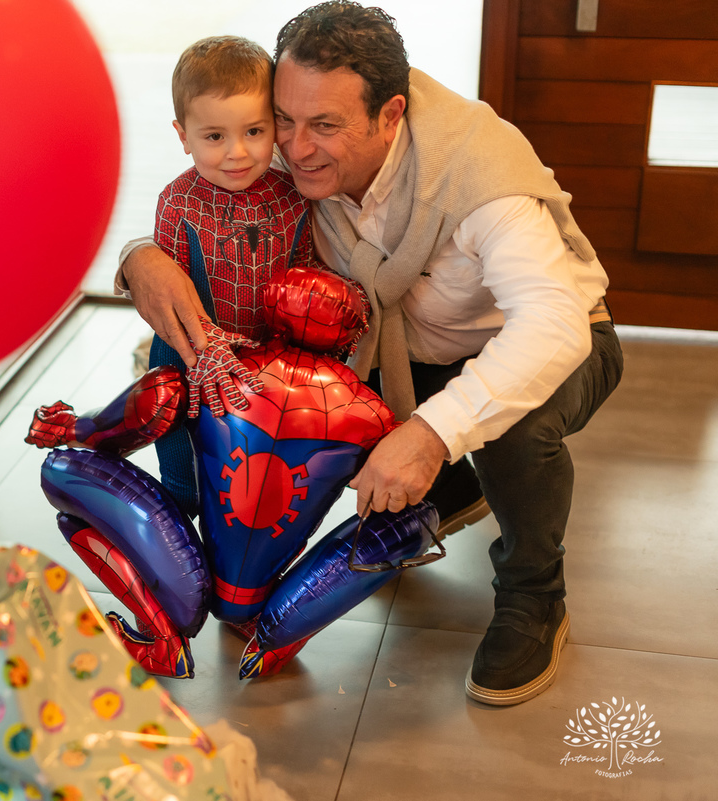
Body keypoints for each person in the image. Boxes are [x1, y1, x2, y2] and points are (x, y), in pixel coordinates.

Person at [116, 2, 624, 706]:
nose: (294, 148)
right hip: (407, 351)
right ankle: (454, 486)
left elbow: (555, 324)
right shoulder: (288, 162)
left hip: (545, 343)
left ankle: (534, 594)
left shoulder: (481, 179)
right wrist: (139, 257)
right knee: (306, 403)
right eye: (284, 121)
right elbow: (211, 200)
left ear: (391, 115)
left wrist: (430, 432)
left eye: (324, 126)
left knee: (513, 422)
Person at [138, 35, 324, 518]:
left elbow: (306, 270)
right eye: (214, 136)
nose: (237, 153)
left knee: (256, 481)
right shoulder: (177, 201)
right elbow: (165, 294)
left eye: (255, 132)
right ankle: (178, 552)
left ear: (275, 127)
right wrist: (200, 351)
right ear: (184, 136)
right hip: (187, 350)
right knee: (182, 459)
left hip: (269, 357)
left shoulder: (293, 194)